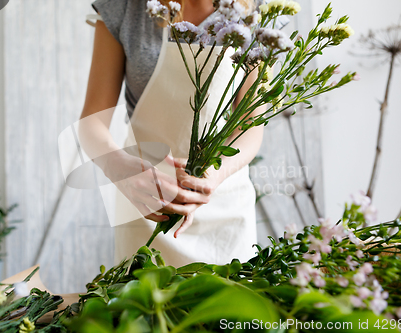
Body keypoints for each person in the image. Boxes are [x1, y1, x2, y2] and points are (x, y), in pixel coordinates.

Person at [79, 0, 287, 267]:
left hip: (223, 201)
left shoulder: (255, 12)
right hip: (145, 200)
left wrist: (214, 174)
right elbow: (91, 121)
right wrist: (120, 168)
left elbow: (250, 125)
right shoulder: (124, 8)